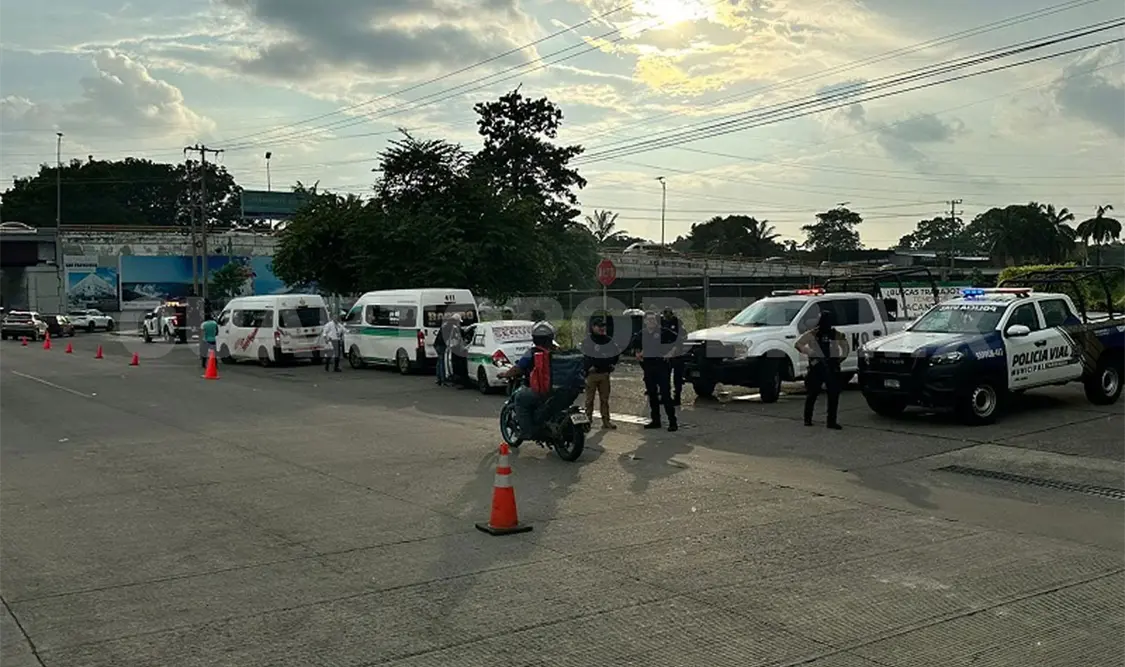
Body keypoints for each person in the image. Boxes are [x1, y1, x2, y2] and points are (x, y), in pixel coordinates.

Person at [499, 321, 558, 439]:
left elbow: (518, 369)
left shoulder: (532, 353)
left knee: (520, 398)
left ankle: (528, 432)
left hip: (543, 390)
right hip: (561, 390)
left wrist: (505, 374)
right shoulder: (558, 351)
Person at [795, 309, 850, 430]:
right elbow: (798, 344)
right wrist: (811, 352)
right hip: (817, 367)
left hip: (831, 367)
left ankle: (830, 421)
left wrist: (839, 359)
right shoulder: (813, 334)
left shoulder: (835, 334)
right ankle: (808, 419)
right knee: (813, 394)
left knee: (832, 396)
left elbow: (845, 347)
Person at [633, 312, 679, 431]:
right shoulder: (642, 334)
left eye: (653, 320)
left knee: (665, 395)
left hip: (662, 366)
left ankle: (672, 422)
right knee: (652, 395)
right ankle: (655, 420)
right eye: (649, 320)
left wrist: (671, 353)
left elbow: (679, 340)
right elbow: (634, 344)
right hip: (648, 367)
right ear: (645, 321)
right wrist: (637, 353)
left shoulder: (663, 331)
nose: (651, 322)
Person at [582, 317, 620, 429]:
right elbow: (585, 356)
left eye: (603, 326)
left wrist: (612, 364)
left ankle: (606, 421)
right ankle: (587, 420)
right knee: (589, 400)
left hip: (604, 373)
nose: (602, 328)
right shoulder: (588, 341)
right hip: (592, 375)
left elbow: (615, 353)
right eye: (599, 326)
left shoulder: (608, 340)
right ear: (593, 327)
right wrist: (588, 367)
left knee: (605, 399)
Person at [660, 306, 687, 405]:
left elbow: (683, 336)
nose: (667, 316)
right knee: (664, 376)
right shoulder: (661, 323)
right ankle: (665, 396)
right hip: (665, 354)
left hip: (677, 353)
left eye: (669, 313)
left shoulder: (678, 323)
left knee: (677, 377)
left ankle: (677, 397)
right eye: (665, 313)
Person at [434, 315, 449, 386]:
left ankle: (438, 378)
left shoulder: (444, 326)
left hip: (437, 345)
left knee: (439, 362)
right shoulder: (446, 327)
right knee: (441, 362)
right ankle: (443, 380)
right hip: (440, 346)